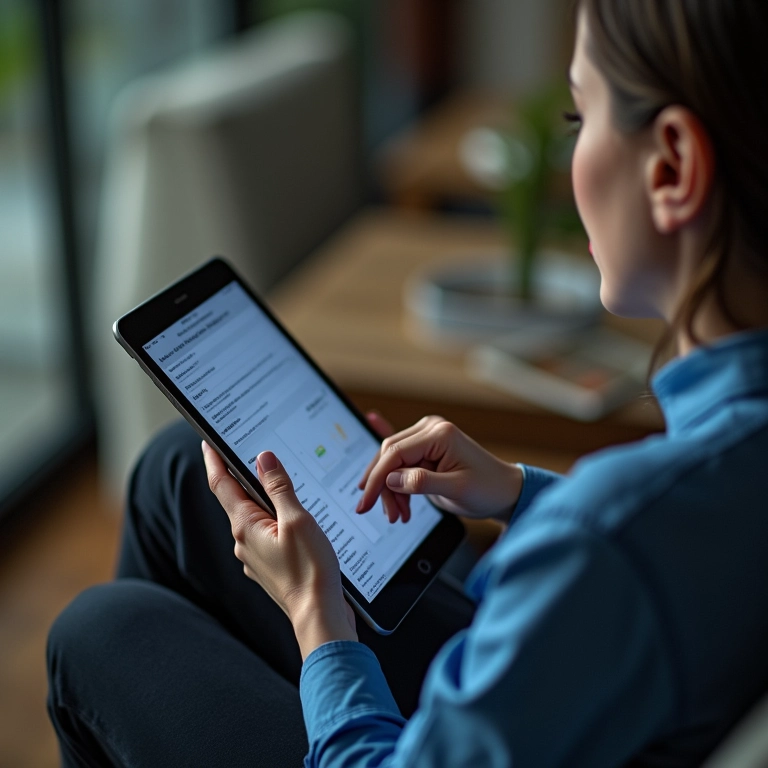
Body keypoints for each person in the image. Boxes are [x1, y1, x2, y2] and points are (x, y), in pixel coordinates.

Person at [47, 0, 768, 765]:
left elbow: (619, 548)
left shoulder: (603, 540)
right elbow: (667, 542)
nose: (570, 151)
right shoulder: (695, 483)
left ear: (672, 168)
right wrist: (520, 492)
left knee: (97, 630)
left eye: (578, 115)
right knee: (174, 470)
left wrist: (317, 614)